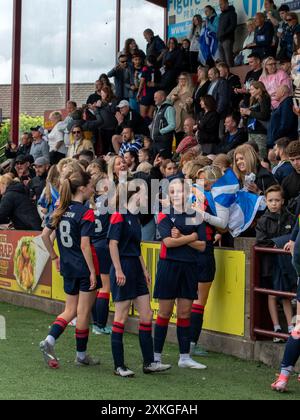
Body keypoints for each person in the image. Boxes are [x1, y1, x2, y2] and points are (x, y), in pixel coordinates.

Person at [108, 181, 171, 377]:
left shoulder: (135, 218)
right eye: (143, 194)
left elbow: (136, 248)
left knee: (147, 315)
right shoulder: (119, 215)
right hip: (123, 268)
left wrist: (144, 270)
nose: (146, 198)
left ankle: (149, 363)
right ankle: (119, 366)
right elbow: (112, 245)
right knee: (121, 318)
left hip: (135, 268)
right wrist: (118, 270)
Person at [40, 170, 100, 368]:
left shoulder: (61, 209)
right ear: (82, 188)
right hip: (83, 268)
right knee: (82, 312)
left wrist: (55, 256)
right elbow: (85, 246)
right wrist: (92, 271)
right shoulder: (86, 212)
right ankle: (81, 356)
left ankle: (49, 340)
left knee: (70, 310)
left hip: (67, 267)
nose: (93, 188)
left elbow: (44, 236)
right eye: (91, 185)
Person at [153, 178, 207, 370]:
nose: (178, 195)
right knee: (165, 312)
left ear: (188, 193)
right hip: (169, 266)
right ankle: (156, 357)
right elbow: (168, 242)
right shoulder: (164, 215)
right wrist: (192, 237)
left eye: (181, 191)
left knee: (185, 313)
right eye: (173, 192)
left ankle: (184, 357)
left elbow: (202, 246)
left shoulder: (196, 215)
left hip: (190, 267)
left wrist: (185, 237)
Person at [190, 165, 223, 356]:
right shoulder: (212, 198)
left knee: (188, 298)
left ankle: (186, 343)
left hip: (188, 248)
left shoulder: (188, 195)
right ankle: (191, 344)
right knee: (198, 301)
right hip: (203, 247)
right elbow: (225, 226)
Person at [256, 185, 296, 341]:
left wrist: (281, 242)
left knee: (285, 295)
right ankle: (276, 329)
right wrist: (278, 243)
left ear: (283, 201)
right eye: (270, 200)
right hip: (270, 263)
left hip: (287, 264)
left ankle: (291, 327)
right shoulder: (263, 221)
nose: (274, 203)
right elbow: (261, 242)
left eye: (277, 200)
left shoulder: (291, 218)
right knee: (272, 294)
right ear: (266, 202)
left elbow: (294, 237)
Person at [90, 176, 112, 335]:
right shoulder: (108, 201)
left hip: (92, 245)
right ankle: (100, 325)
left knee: (95, 286)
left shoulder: (90, 202)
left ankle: (96, 323)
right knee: (105, 287)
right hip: (104, 246)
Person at [240, 81, 271, 159]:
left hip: (260, 132)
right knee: (252, 156)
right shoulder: (253, 99)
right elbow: (252, 114)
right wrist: (245, 114)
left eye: (252, 89)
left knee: (261, 156)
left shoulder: (265, 98)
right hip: (251, 131)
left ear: (259, 89)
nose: (250, 91)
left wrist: (249, 112)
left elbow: (264, 115)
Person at [167, 73, 194, 147]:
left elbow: (194, 105)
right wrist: (172, 99)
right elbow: (167, 101)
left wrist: (185, 105)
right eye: (180, 79)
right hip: (176, 118)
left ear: (188, 80)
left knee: (187, 138)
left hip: (187, 117)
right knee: (177, 138)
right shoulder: (176, 89)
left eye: (184, 79)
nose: (181, 81)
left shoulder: (192, 90)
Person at [150, 90, 176, 156]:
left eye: (156, 97)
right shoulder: (156, 109)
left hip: (163, 142)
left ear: (162, 98)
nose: (154, 99)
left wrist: (161, 131)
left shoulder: (169, 108)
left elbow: (172, 125)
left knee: (163, 161)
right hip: (155, 142)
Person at [207, 67, 230, 138]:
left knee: (221, 135)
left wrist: (216, 113)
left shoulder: (222, 82)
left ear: (217, 74)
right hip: (212, 114)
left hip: (220, 115)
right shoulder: (211, 84)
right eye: (208, 74)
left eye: (211, 74)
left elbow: (223, 100)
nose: (209, 76)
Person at [137, 55, 160, 121]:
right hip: (155, 94)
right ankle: (150, 130)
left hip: (146, 93)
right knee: (150, 115)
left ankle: (144, 130)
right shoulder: (158, 70)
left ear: (147, 61)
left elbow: (142, 81)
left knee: (142, 115)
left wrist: (138, 93)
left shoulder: (145, 68)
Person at [217, 0, 237, 67]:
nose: (220, 6)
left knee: (229, 59)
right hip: (220, 39)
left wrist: (224, 33)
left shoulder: (232, 13)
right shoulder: (221, 15)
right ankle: (224, 75)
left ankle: (231, 74)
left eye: (221, 4)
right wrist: (218, 35)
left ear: (227, 4)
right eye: (219, 5)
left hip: (227, 39)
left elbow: (233, 26)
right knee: (222, 61)